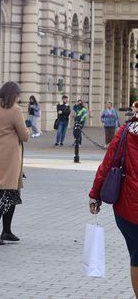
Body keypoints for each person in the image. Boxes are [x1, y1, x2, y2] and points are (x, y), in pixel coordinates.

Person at [89, 101, 138, 297]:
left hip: (127, 209)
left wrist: (95, 195)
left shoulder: (126, 131)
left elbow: (108, 163)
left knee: (136, 255)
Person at [0, 82, 30, 245]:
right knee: (2, 195)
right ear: (13, 95)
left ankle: (6, 231)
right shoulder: (15, 110)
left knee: (10, 192)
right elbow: (24, 136)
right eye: (18, 95)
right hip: (8, 157)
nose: (19, 98)